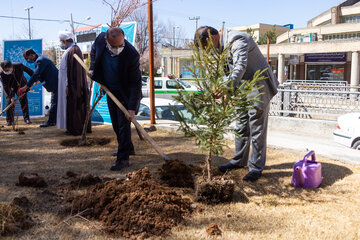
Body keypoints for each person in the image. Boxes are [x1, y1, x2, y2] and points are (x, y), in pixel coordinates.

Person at [194, 26, 279, 181]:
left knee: (256, 127)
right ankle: (239, 160)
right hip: (242, 86)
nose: (208, 51)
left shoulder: (238, 39)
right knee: (240, 124)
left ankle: (256, 167)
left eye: (207, 47)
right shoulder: (221, 45)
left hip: (258, 84)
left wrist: (225, 88)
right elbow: (229, 70)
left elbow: (240, 67)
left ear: (212, 38)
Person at [90, 27, 142, 171]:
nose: (118, 48)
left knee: (123, 125)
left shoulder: (132, 55)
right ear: (106, 40)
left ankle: (123, 159)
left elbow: (135, 84)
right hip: (110, 89)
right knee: (115, 123)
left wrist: (131, 108)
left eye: (121, 45)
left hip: (125, 92)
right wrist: (92, 68)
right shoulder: (100, 40)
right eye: (114, 46)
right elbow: (94, 51)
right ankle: (128, 148)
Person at [57, 31, 91, 135]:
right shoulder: (70, 50)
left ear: (64, 41)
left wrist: (68, 85)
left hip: (72, 85)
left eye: (61, 41)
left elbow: (72, 70)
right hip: (67, 84)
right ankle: (70, 127)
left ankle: (75, 128)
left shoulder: (74, 50)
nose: (61, 43)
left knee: (73, 105)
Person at [21, 49, 59, 127]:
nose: (28, 60)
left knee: (54, 103)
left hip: (55, 83)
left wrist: (27, 86)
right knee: (54, 102)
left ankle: (51, 122)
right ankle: (53, 120)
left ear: (32, 55)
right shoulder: (41, 58)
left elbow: (36, 73)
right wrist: (38, 80)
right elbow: (40, 73)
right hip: (55, 83)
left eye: (27, 58)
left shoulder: (41, 60)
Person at [0, 60, 33, 125]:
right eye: (4, 70)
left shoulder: (19, 65)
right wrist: (11, 96)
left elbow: (29, 71)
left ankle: (26, 119)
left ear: (11, 67)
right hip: (10, 88)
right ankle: (9, 120)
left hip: (21, 86)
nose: (6, 72)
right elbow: (6, 86)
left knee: (24, 101)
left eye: (7, 70)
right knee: (9, 102)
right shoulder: (2, 74)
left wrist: (36, 79)